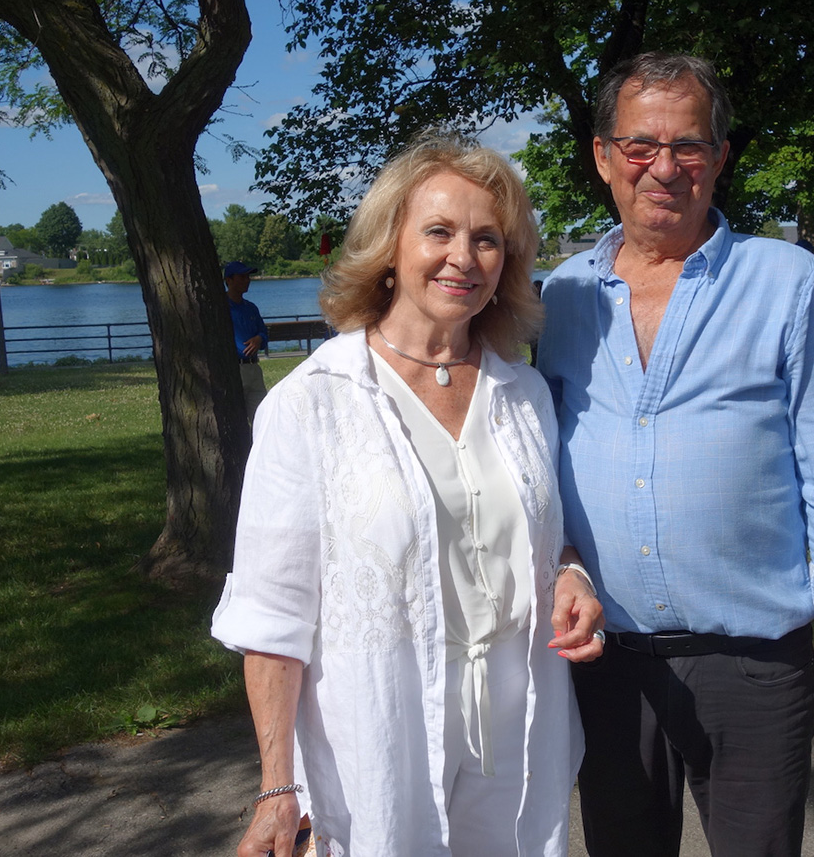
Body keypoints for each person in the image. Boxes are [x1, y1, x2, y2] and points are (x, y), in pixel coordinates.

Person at [538, 52, 814, 857]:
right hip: (604, 665)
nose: (664, 166)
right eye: (640, 145)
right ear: (602, 156)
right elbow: (533, 466)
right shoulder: (560, 296)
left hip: (752, 665)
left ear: (721, 156)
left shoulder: (791, 283)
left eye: (689, 145)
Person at [212, 135, 604, 857]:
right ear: (389, 248)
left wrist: (572, 571)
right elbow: (272, 614)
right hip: (381, 740)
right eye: (439, 231)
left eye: (487, 239)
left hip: (518, 735)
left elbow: (541, 534)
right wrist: (275, 788)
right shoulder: (313, 403)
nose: (464, 257)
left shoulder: (524, 394)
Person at [224, 261, 269, 424]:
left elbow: (263, 333)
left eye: (248, 277)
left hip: (253, 368)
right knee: (237, 421)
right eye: (242, 277)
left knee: (261, 419)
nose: (247, 280)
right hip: (233, 369)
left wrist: (259, 338)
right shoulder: (220, 308)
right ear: (229, 280)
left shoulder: (251, 308)